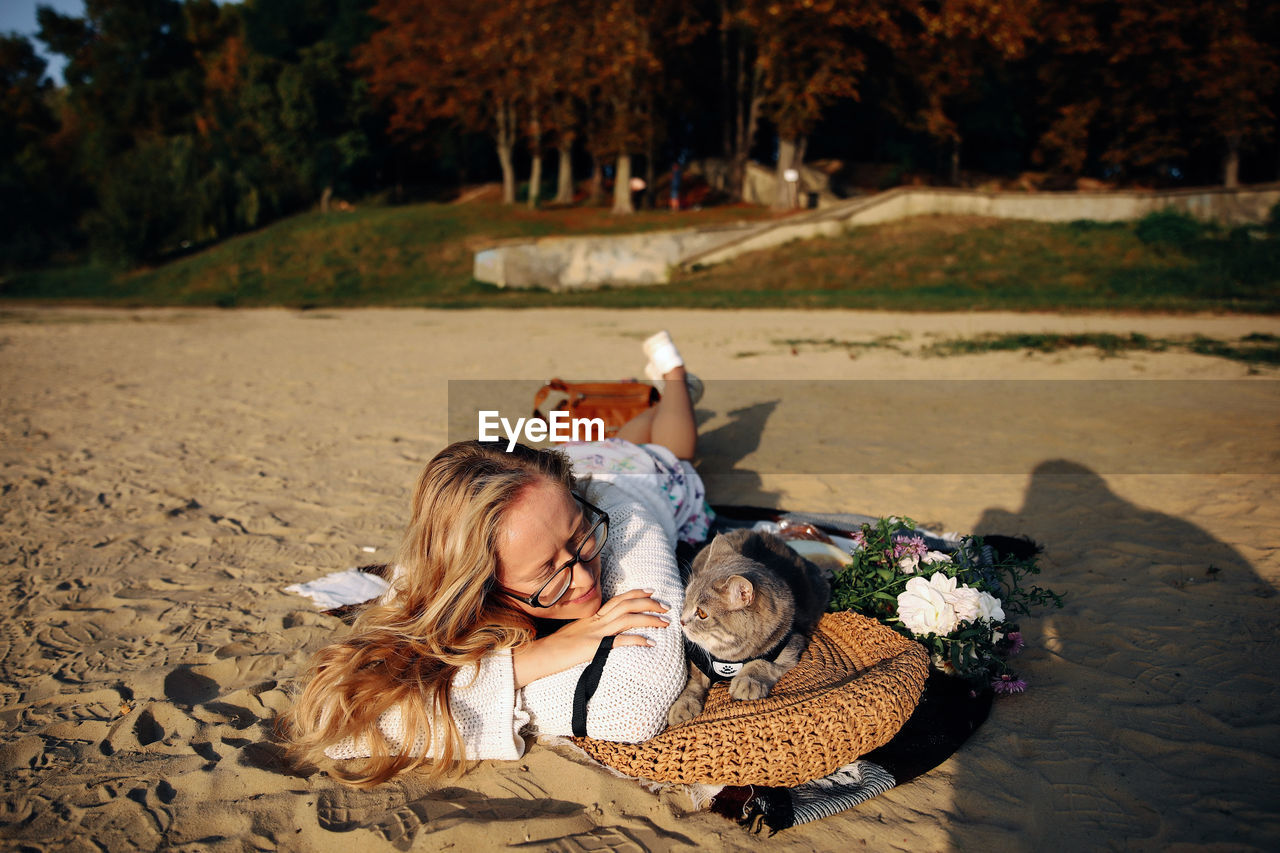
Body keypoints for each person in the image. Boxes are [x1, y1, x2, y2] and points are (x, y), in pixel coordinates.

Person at [285, 332, 711, 787]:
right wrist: (534, 658)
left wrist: (489, 688)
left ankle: (676, 378)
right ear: (481, 584)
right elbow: (339, 727)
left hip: (641, 483)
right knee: (629, 441)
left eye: (582, 538)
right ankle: (666, 397)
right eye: (548, 571)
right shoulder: (450, 564)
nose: (585, 575)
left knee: (671, 454)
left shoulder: (619, 519)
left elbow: (634, 704)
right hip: (585, 459)